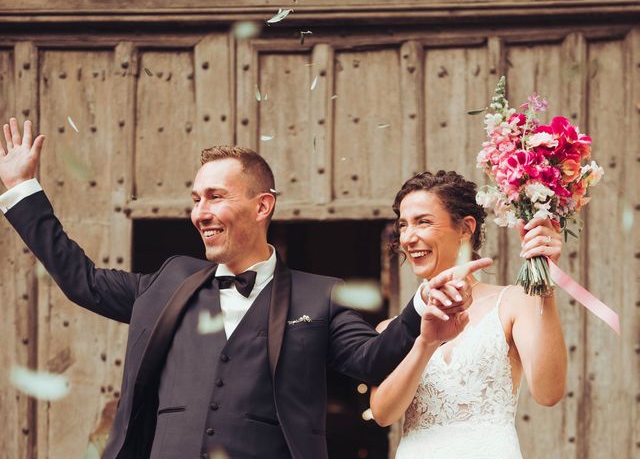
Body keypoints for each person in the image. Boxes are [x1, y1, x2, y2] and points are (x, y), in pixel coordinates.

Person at [0, 118, 492, 459]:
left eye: (216, 196)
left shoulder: (317, 296)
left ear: (262, 207)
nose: (199, 211)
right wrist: (22, 191)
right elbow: (81, 281)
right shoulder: (168, 281)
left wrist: (420, 305)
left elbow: (372, 359)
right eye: (195, 198)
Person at [370, 170, 567, 458]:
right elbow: (383, 414)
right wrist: (424, 345)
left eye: (423, 222)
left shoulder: (512, 301)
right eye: (403, 225)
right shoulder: (391, 328)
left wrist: (544, 284)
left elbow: (549, 393)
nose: (409, 237)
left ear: (465, 228)